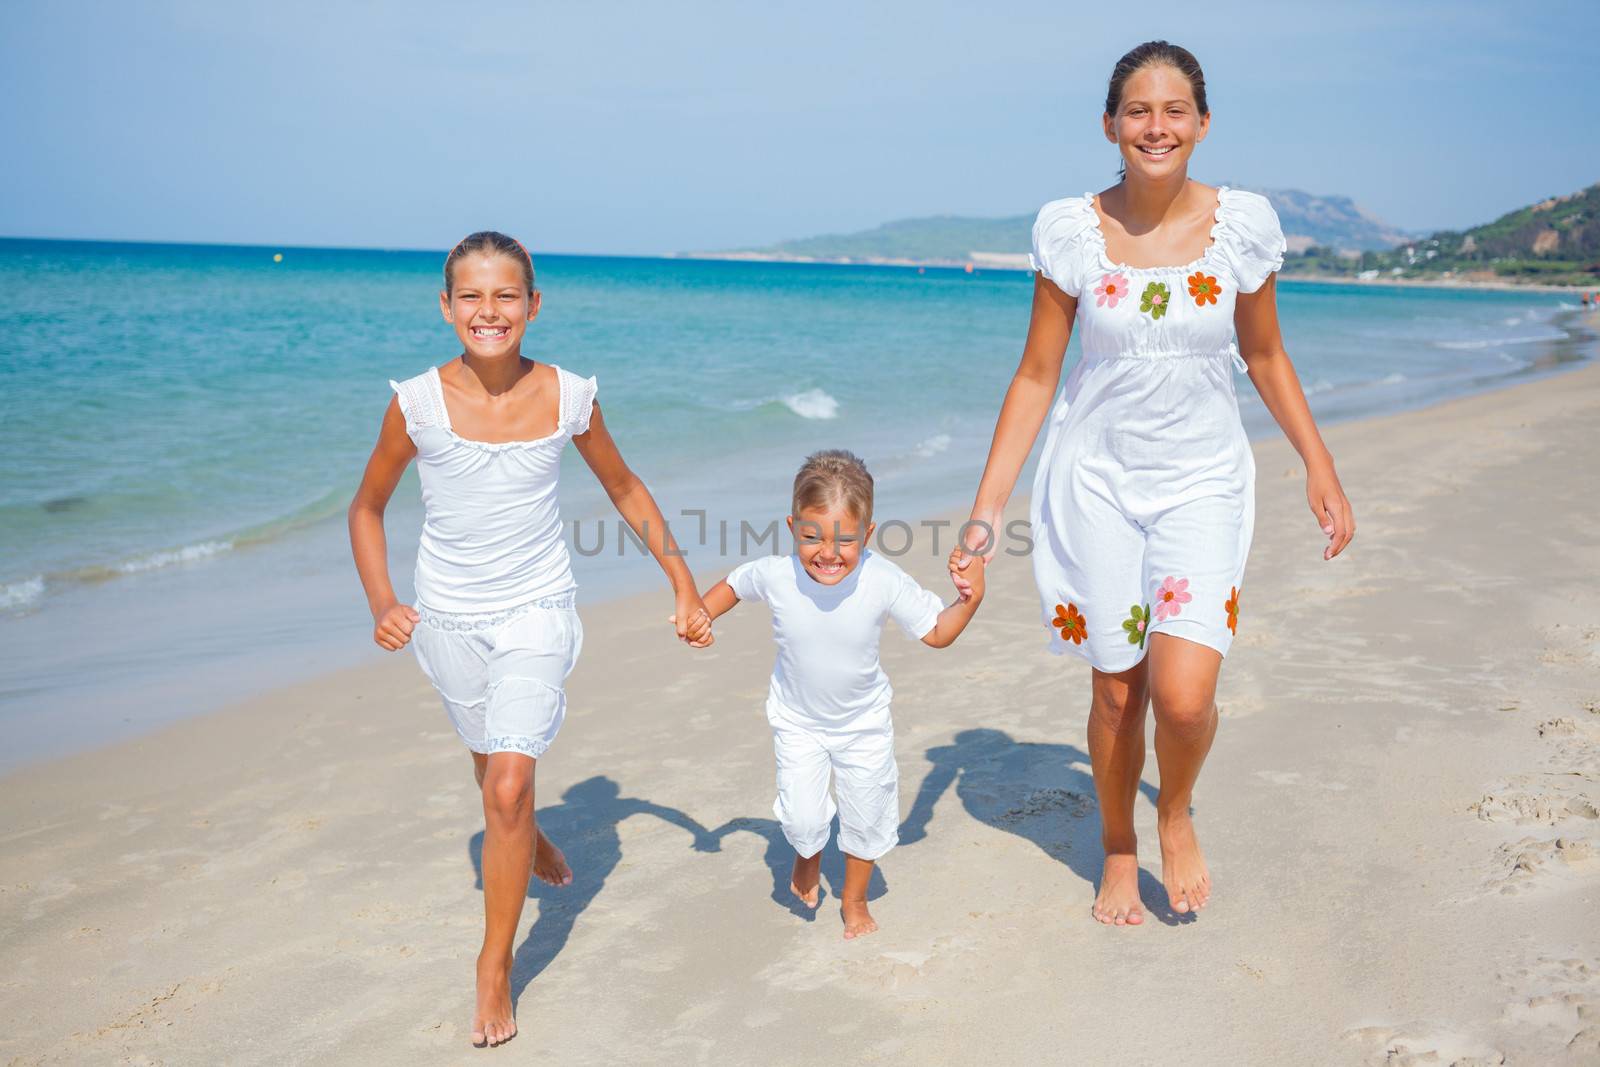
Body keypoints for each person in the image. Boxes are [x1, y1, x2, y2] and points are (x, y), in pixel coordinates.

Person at [950, 41, 1355, 927]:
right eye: (1138, 110)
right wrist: (986, 511)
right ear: (1109, 125)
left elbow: (1264, 353)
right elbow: (1035, 377)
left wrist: (1318, 464)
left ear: (1203, 125)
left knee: (1183, 694)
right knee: (1116, 688)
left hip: (1203, 481)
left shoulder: (1242, 225)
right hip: (1095, 482)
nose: (1156, 126)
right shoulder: (1072, 231)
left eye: (1175, 111)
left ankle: (1173, 809)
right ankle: (1120, 844)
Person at [347, 231, 710, 1046]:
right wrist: (382, 600)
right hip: (446, 618)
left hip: (537, 608)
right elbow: (365, 506)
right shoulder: (416, 404)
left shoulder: (569, 395)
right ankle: (528, 834)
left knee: (507, 784)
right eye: (470, 296)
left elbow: (623, 483)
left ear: (534, 304)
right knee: (491, 758)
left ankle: (494, 965)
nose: (489, 310)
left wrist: (683, 582)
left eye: (506, 294)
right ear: (446, 308)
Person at [691, 449, 984, 938]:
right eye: (812, 538)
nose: (828, 553)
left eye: (845, 540)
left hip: (863, 723)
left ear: (866, 534)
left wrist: (970, 599)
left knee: (866, 816)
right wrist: (700, 615)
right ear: (793, 528)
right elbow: (735, 586)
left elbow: (937, 632)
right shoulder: (776, 574)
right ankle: (807, 856)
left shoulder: (883, 579)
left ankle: (854, 899)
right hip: (798, 721)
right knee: (805, 819)